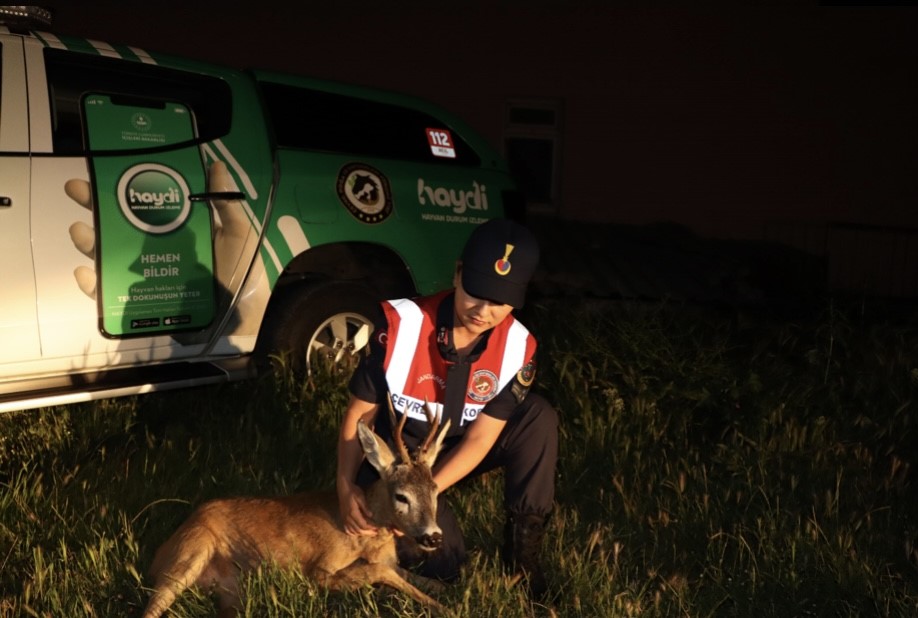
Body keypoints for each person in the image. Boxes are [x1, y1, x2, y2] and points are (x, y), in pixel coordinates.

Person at [336, 217, 558, 599]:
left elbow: (481, 437)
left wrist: (430, 490)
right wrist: (343, 486)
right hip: (400, 461)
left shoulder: (520, 349)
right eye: (476, 291)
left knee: (538, 416)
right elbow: (360, 416)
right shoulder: (400, 326)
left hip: (454, 452)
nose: (483, 310)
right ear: (457, 274)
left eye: (499, 301)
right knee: (444, 564)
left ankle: (523, 560)